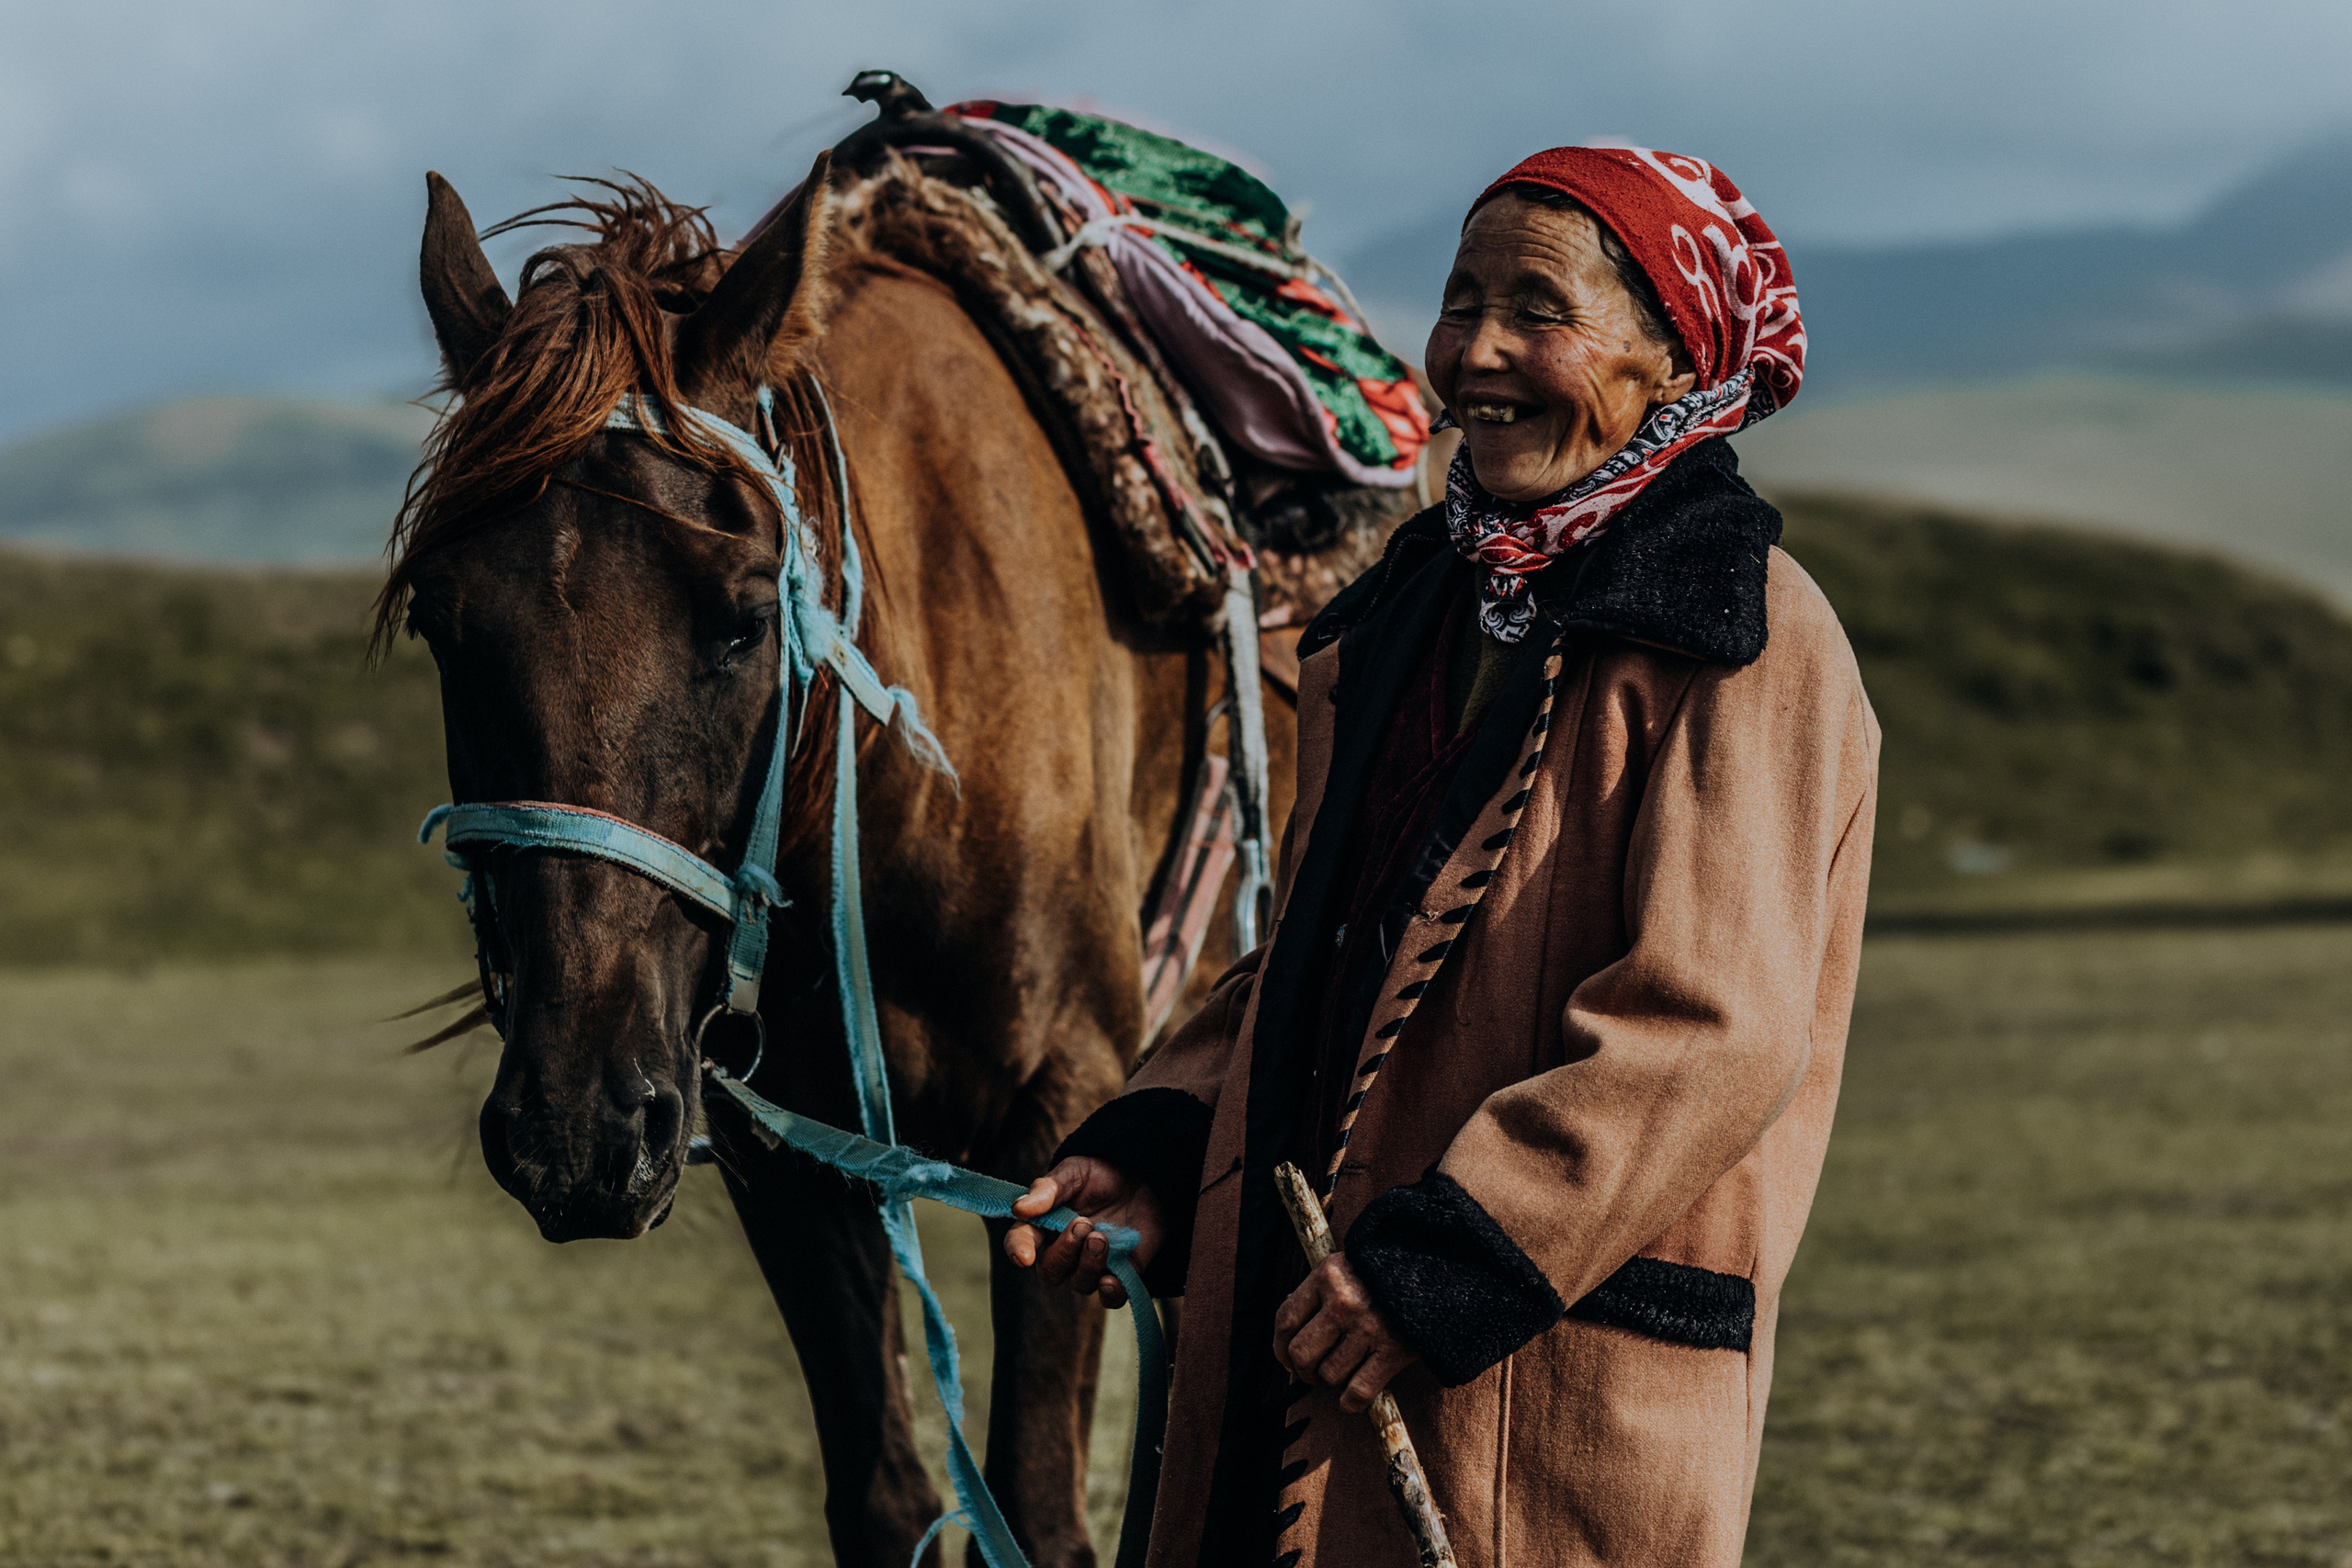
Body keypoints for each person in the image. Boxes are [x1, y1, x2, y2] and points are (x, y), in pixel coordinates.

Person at [1007, 145, 1879, 1567]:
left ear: (1674, 353)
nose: (1476, 350)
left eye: (1539, 310)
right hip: (1299, 1350)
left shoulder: (1741, 634)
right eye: (1460, 299)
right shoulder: (1413, 613)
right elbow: (1323, 958)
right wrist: (1167, 1142)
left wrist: (1449, 1264)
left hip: (1527, 1379)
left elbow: (1713, 1027)